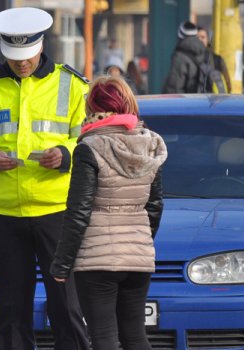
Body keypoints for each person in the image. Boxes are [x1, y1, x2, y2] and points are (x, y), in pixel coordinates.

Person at [0, 7, 90, 350]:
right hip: (5, 216)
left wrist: (66, 154)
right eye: (14, 58)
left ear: (40, 46)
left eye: (26, 57)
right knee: (11, 312)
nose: (21, 63)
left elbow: (90, 136)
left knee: (67, 307)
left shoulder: (72, 86)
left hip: (57, 213)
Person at [50, 76, 167, 350]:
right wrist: (138, 240)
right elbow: (155, 205)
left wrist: (62, 263)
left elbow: (78, 210)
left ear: (91, 108)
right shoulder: (150, 144)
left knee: (103, 338)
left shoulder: (89, 148)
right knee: (136, 337)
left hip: (97, 260)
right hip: (138, 257)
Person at [162, 21, 207, 93]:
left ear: (180, 36)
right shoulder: (208, 54)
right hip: (206, 102)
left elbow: (174, 89)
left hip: (188, 103)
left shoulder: (179, 58)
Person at [197, 26, 232, 93]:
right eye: (197, 37)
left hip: (214, 100)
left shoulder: (217, 59)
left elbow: (227, 84)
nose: (200, 40)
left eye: (203, 37)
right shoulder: (190, 59)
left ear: (208, 40)